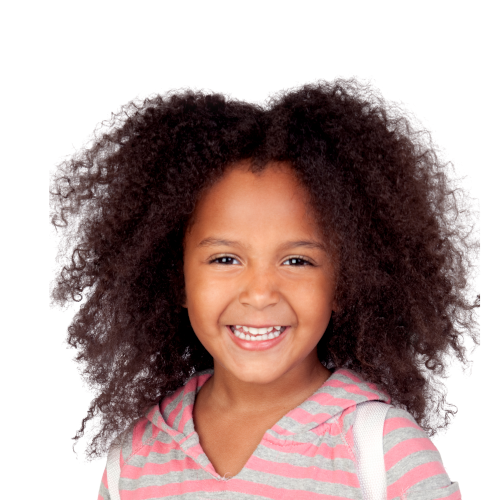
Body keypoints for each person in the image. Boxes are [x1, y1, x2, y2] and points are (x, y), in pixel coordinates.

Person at [49, 76, 480, 499]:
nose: (259, 294)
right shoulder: (133, 460)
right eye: (225, 259)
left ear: (345, 281)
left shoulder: (381, 453)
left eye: (297, 261)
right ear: (175, 278)